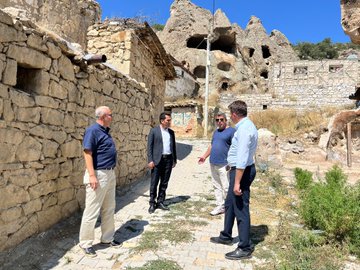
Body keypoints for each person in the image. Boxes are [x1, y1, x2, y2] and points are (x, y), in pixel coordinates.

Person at [210, 100, 258, 260]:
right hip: (238, 171)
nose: (229, 117)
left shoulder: (244, 130)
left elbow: (243, 158)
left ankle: (245, 247)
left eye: (230, 114)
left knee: (240, 208)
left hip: (242, 173)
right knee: (230, 203)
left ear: (235, 114)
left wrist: (237, 182)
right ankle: (226, 235)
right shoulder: (246, 126)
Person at [79, 106, 121, 257]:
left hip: (109, 173)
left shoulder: (105, 132)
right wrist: (91, 175)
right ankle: (85, 243)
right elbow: (87, 152)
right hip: (98, 174)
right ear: (103, 116)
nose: (112, 117)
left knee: (109, 208)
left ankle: (107, 238)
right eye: (110, 115)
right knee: (92, 210)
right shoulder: (93, 131)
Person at [198, 112, 235, 216]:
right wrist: (204, 157)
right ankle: (220, 206)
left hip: (224, 164)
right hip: (213, 163)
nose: (219, 122)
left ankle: (229, 208)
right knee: (216, 186)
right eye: (217, 120)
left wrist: (231, 162)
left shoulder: (231, 131)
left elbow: (235, 148)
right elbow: (211, 146)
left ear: (226, 120)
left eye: (221, 119)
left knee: (226, 187)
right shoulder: (216, 132)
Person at [147, 112, 177, 214]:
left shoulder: (171, 133)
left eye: (170, 120)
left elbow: (173, 147)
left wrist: (174, 160)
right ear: (162, 121)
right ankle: (152, 203)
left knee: (164, 183)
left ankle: (160, 201)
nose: (169, 122)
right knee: (154, 182)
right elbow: (149, 147)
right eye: (168, 120)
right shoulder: (154, 131)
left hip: (168, 160)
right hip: (156, 161)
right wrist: (150, 160)